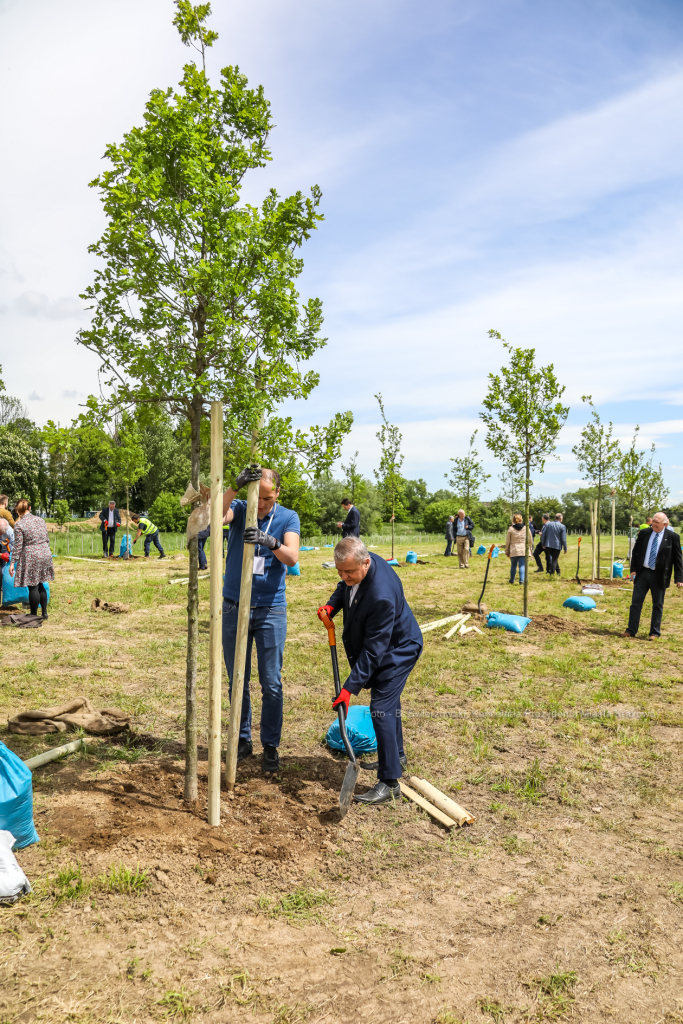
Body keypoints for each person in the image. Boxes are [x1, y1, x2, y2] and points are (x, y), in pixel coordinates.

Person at [318, 537, 423, 806]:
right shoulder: (360, 563)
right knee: (387, 704)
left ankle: (390, 783)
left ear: (366, 563)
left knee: (381, 707)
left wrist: (348, 689)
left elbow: (374, 652)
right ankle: (396, 756)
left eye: (349, 572)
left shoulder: (381, 596)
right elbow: (345, 587)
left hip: (399, 650)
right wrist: (332, 605)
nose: (344, 577)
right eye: (339, 571)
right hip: (385, 645)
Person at [221, 466, 300, 773]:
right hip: (234, 606)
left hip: (270, 609)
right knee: (237, 679)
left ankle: (270, 745)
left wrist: (270, 541)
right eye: (259, 497)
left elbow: (292, 557)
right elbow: (215, 518)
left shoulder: (288, 518)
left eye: (268, 498)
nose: (262, 504)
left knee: (271, 682)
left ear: (277, 493)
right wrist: (234, 487)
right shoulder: (241, 509)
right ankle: (242, 739)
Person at [623, 512, 683, 640]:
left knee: (657, 604)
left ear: (665, 524)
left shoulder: (672, 537)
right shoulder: (644, 533)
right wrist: (633, 570)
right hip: (643, 573)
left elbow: (678, 559)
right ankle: (631, 630)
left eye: (657, 522)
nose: (653, 524)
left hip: (660, 575)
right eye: (653, 521)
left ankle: (654, 632)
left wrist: (679, 578)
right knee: (636, 603)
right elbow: (636, 551)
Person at [8, 499, 54, 619]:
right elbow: (47, 538)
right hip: (45, 552)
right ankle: (44, 613)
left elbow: (18, 546)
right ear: (30, 508)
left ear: (17, 510)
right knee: (41, 583)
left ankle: (33, 615)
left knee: (33, 586)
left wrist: (12, 563)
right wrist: (46, 552)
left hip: (31, 555)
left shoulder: (19, 525)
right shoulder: (41, 520)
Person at [505, 514, 532, 585]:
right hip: (523, 549)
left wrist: (507, 550)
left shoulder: (511, 529)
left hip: (514, 549)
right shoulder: (526, 528)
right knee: (522, 565)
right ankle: (521, 581)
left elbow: (508, 541)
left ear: (513, 520)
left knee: (513, 565)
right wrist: (530, 548)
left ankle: (512, 580)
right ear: (521, 519)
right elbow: (530, 539)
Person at [0, 518, 14, 595]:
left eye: (1, 533)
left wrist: (11, 555)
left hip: (7, 550)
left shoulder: (10, 531)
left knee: (7, 569)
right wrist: (0, 555)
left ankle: (6, 585)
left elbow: (14, 545)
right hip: (1, 552)